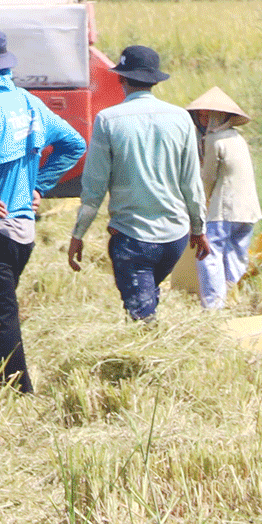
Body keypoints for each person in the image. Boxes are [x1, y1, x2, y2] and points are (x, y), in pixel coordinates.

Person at [0, 25, 87, 394]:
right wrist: (39, 185)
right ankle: (9, 382)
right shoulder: (30, 104)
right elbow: (74, 144)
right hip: (22, 233)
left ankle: (18, 392)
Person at [69, 45, 207, 321]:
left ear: (120, 78)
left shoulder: (108, 120)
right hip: (174, 238)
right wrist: (198, 228)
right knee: (147, 299)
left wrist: (78, 234)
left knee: (141, 316)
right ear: (156, 81)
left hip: (132, 238)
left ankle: (151, 357)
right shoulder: (180, 118)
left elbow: (94, 187)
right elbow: (192, 182)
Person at [187, 87, 259, 311]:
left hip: (223, 209)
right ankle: (234, 300)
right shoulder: (237, 139)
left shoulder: (214, 140)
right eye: (201, 114)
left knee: (209, 254)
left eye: (208, 115)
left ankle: (214, 307)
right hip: (247, 210)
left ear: (221, 116)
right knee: (235, 255)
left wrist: (198, 208)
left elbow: (207, 179)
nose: (203, 119)